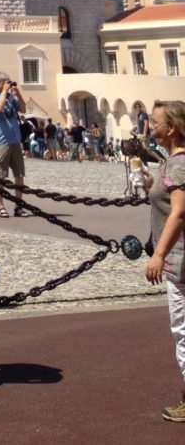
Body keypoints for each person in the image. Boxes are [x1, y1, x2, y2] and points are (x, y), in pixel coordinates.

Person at [141, 100, 185, 422]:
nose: (149, 126)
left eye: (154, 122)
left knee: (183, 330)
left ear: (170, 128)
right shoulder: (172, 162)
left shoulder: (177, 164)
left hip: (181, 261)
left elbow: (180, 212)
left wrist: (158, 255)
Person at [0, 72, 26, 218]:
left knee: (19, 175)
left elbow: (23, 109)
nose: (8, 85)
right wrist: (3, 92)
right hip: (0, 141)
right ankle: (0, 205)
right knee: (0, 176)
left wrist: (18, 94)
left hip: (15, 140)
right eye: (5, 82)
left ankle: (19, 205)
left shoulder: (11, 97)